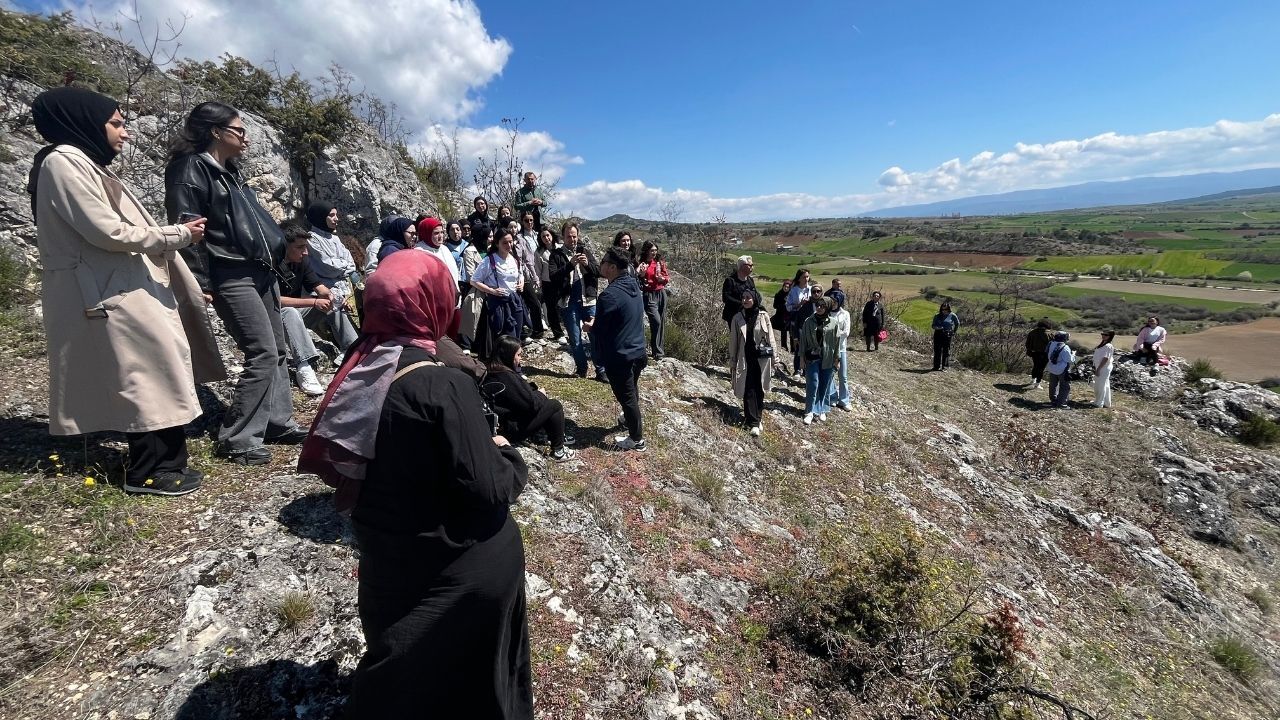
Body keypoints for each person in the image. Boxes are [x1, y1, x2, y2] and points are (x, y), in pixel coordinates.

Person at [298, 250, 531, 719]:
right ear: (433, 303)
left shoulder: (359, 362)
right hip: (457, 566)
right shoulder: (440, 384)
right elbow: (488, 487)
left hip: (390, 559)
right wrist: (506, 452)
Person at [29, 86, 224, 496]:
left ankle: (164, 464)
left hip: (117, 283)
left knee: (154, 367)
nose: (125, 132)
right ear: (84, 122)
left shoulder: (83, 163)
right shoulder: (63, 162)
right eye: (116, 123)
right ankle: (150, 472)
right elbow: (105, 229)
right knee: (144, 373)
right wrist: (176, 234)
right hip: (108, 289)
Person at [166, 101, 306, 465]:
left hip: (260, 272)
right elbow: (188, 228)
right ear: (216, 131)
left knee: (276, 349)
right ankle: (238, 437)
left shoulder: (230, 172)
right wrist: (200, 280)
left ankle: (276, 422)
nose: (245, 137)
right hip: (230, 273)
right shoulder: (191, 169)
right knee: (260, 350)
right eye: (238, 130)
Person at [276, 225, 357, 395]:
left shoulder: (302, 261)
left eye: (305, 247)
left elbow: (316, 284)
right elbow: (274, 300)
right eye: (300, 247)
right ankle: (304, 366)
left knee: (333, 302)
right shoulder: (272, 263)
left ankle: (352, 349)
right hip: (275, 318)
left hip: (298, 313)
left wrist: (330, 295)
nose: (305, 252)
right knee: (289, 312)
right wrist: (313, 302)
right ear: (285, 245)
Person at [585, 248, 648, 451]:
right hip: (638, 351)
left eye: (603, 261)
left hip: (620, 355)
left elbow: (601, 331)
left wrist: (590, 327)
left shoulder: (608, 296)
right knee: (632, 389)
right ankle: (628, 418)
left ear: (612, 267)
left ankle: (637, 440)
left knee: (627, 396)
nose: (600, 265)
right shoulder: (633, 285)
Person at [482, 336, 576, 462]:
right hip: (511, 431)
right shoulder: (506, 376)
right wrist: (541, 394)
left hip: (499, 426)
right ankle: (558, 450)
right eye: (519, 355)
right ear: (509, 355)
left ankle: (552, 435)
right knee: (554, 406)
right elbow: (531, 404)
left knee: (544, 403)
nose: (520, 358)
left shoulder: (491, 370)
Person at [548, 222, 600, 378]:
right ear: (563, 237)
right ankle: (582, 369)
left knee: (595, 337)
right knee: (575, 339)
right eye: (569, 236)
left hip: (588, 300)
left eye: (574, 236)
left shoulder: (585, 251)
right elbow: (553, 277)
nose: (572, 239)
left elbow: (599, 272)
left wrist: (587, 264)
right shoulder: (556, 255)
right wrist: (570, 265)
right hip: (568, 302)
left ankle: (601, 371)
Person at [728, 290, 783, 436]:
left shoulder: (763, 316)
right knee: (748, 389)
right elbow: (733, 342)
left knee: (759, 390)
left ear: (755, 299)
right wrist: (732, 361)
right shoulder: (737, 318)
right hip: (745, 359)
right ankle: (753, 422)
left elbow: (771, 338)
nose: (745, 300)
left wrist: (775, 359)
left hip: (762, 360)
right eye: (743, 297)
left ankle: (756, 418)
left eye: (748, 298)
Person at [471, 228, 527, 346]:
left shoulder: (513, 258)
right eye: (505, 242)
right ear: (497, 243)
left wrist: (521, 282)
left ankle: (515, 361)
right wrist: (492, 290)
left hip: (515, 301)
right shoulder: (489, 260)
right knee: (506, 336)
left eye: (510, 242)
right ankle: (507, 362)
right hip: (499, 303)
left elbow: (520, 274)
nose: (509, 245)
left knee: (517, 334)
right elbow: (474, 280)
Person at [304, 202, 359, 309]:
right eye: (331, 215)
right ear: (320, 217)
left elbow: (351, 263)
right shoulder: (311, 239)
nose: (336, 219)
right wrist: (345, 266)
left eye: (336, 215)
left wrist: (342, 265)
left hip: (344, 291)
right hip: (325, 294)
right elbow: (328, 267)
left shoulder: (335, 238)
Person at [797, 296, 839, 424]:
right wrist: (801, 359)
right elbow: (803, 341)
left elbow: (837, 343)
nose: (819, 308)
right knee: (813, 383)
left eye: (822, 306)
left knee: (824, 384)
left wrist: (837, 359)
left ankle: (822, 410)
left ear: (827, 308)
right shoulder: (809, 321)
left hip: (828, 358)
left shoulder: (833, 322)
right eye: (818, 305)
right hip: (812, 358)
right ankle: (809, 411)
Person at [636, 240, 669, 360]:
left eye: (655, 250)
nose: (654, 252)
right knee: (656, 321)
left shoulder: (660, 263)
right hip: (649, 294)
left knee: (661, 323)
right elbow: (639, 279)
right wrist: (642, 274)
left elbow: (666, 277)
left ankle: (658, 352)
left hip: (661, 293)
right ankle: (654, 348)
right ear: (647, 251)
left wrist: (662, 279)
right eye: (652, 250)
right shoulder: (643, 263)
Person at [459, 225, 489, 352]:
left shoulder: (489, 250)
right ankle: (467, 344)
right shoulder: (469, 251)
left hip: (490, 289)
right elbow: (471, 274)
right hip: (476, 288)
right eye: (488, 236)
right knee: (472, 314)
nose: (490, 239)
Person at [514, 212, 543, 339]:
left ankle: (540, 324)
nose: (529, 223)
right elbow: (524, 259)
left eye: (531, 220)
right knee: (530, 302)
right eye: (526, 220)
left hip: (540, 269)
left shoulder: (538, 235)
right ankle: (535, 330)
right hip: (526, 274)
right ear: (522, 222)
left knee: (539, 300)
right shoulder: (520, 238)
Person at [826, 286, 853, 411]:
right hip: (828, 349)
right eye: (832, 301)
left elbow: (846, 332)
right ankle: (832, 398)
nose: (833, 304)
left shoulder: (845, 314)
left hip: (841, 348)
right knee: (830, 374)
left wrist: (832, 332)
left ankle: (844, 400)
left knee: (843, 376)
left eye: (835, 301)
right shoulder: (826, 313)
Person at [414, 217, 461, 286]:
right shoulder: (418, 252)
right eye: (436, 233)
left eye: (442, 232)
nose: (440, 236)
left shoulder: (444, 249)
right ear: (427, 234)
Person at [535, 227, 563, 340]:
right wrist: (539, 284)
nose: (546, 238)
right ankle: (558, 333)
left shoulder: (561, 248)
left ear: (552, 235)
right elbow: (538, 270)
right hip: (548, 283)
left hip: (562, 281)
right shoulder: (539, 253)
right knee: (551, 309)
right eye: (543, 236)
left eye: (548, 235)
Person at [721, 256, 757, 326]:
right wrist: (742, 304)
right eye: (750, 265)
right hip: (733, 316)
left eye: (752, 265)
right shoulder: (730, 280)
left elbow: (754, 295)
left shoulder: (750, 280)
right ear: (742, 266)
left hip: (748, 314)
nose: (752, 268)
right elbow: (726, 298)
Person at [1046, 331, 1076, 408]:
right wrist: (1073, 354)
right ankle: (1062, 404)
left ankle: (1053, 400)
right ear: (1064, 338)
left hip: (1051, 367)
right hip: (1062, 370)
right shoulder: (1065, 347)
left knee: (1053, 385)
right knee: (1065, 386)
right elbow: (1070, 360)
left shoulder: (1051, 344)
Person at [931, 302, 959, 371]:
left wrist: (954, 332)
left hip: (947, 334)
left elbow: (957, 323)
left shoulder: (952, 315)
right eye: (943, 309)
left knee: (946, 351)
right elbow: (933, 325)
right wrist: (937, 328)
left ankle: (945, 367)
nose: (944, 311)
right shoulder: (937, 316)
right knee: (937, 350)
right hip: (938, 334)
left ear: (949, 309)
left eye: (946, 309)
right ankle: (936, 366)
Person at [1025, 319, 1052, 389]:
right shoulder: (1049, 334)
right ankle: (1037, 383)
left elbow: (1027, 344)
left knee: (1035, 366)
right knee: (1041, 369)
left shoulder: (1032, 332)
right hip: (1045, 354)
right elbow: (1052, 345)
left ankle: (1033, 380)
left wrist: (1031, 349)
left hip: (1034, 353)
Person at [445, 220, 469, 294]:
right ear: (448, 232)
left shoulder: (467, 245)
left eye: (458, 229)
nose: (455, 232)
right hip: (453, 282)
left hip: (467, 282)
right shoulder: (445, 248)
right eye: (452, 230)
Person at [1093, 330, 1115, 408]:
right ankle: (1106, 403)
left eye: (1106, 335)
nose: (1103, 336)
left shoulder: (1108, 346)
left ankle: (1099, 403)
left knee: (1100, 385)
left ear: (1110, 336)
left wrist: (1098, 369)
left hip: (1103, 368)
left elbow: (1106, 358)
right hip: (1101, 367)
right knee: (1105, 384)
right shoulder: (1103, 344)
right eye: (1102, 334)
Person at [771, 279, 793, 351]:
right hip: (780, 315)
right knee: (783, 329)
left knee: (791, 331)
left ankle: (793, 348)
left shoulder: (791, 295)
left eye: (787, 287)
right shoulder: (778, 294)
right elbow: (775, 306)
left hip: (789, 315)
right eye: (785, 286)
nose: (786, 288)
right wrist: (783, 305)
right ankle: (784, 346)